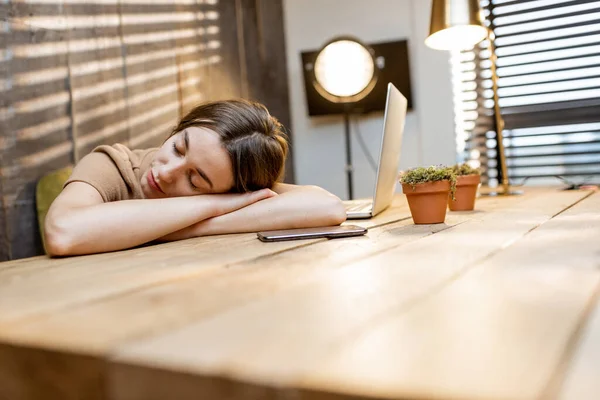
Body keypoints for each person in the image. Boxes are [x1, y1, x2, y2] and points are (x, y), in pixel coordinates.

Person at [45, 99, 346, 256]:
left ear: (229, 191)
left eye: (195, 181)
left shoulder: (233, 186)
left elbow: (327, 207)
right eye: (178, 147)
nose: (164, 173)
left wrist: (191, 224)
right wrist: (211, 206)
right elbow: (62, 232)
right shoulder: (113, 165)